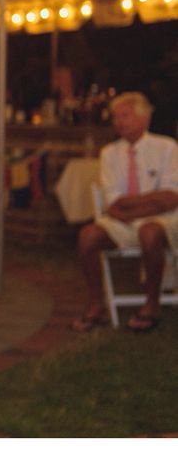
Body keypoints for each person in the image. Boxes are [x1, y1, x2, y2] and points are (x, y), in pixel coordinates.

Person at [71, 92, 178, 333]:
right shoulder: (110, 153)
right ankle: (97, 306)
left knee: (150, 232)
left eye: (125, 116)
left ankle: (152, 304)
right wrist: (150, 200)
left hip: (166, 220)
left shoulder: (166, 147)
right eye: (116, 117)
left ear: (144, 118)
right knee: (87, 235)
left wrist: (135, 205)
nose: (119, 122)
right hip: (125, 222)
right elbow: (114, 204)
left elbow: (171, 198)